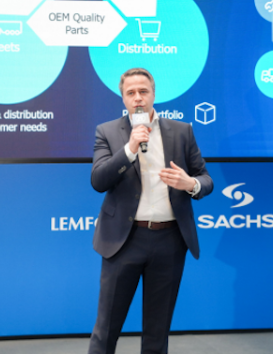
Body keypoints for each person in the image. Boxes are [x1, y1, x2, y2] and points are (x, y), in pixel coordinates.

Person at [88, 68, 213, 354]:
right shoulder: (107, 132)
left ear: (154, 94)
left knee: (157, 333)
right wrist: (130, 149)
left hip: (169, 241)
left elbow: (206, 179)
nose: (138, 98)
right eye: (131, 93)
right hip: (123, 241)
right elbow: (98, 180)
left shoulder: (182, 131)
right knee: (105, 330)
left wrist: (190, 183)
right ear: (123, 98)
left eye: (143, 91)